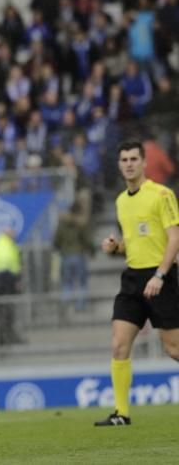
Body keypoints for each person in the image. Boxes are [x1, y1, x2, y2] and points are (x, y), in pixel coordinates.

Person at [95, 140, 179, 427]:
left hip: (160, 278)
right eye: (124, 159)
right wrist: (116, 246)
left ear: (144, 163)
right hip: (132, 279)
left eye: (134, 159)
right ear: (119, 165)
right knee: (119, 345)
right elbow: (133, 243)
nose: (129, 164)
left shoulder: (161, 194)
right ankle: (121, 413)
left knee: (174, 350)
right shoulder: (121, 201)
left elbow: (174, 238)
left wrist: (160, 275)